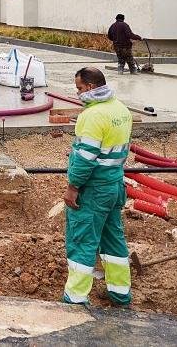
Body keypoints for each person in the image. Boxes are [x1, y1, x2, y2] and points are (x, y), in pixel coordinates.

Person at [62, 66, 132, 307]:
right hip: (114, 185)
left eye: (80, 89)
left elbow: (85, 157)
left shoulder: (92, 115)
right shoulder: (120, 110)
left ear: (91, 87)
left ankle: (76, 297)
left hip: (93, 189)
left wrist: (73, 187)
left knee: (82, 241)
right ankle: (120, 293)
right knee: (113, 240)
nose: (78, 93)